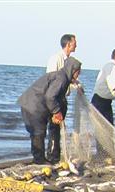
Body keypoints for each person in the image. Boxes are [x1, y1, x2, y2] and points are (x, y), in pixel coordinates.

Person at [18, 57, 82, 164]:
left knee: (38, 133)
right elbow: (50, 97)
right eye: (77, 73)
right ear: (72, 70)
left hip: (33, 104)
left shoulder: (62, 76)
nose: (78, 75)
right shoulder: (61, 79)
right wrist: (57, 112)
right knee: (38, 132)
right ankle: (39, 161)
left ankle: (40, 159)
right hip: (32, 106)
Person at [44, 34, 79, 164]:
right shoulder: (56, 59)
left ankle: (56, 156)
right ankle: (52, 157)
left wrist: (76, 84)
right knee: (53, 128)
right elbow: (52, 79)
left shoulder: (70, 61)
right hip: (54, 99)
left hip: (62, 98)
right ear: (68, 44)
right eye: (75, 42)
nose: (76, 45)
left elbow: (68, 79)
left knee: (58, 129)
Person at [91, 48, 115, 125]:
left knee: (108, 129)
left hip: (105, 103)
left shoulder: (113, 67)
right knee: (103, 130)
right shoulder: (112, 67)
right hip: (100, 102)